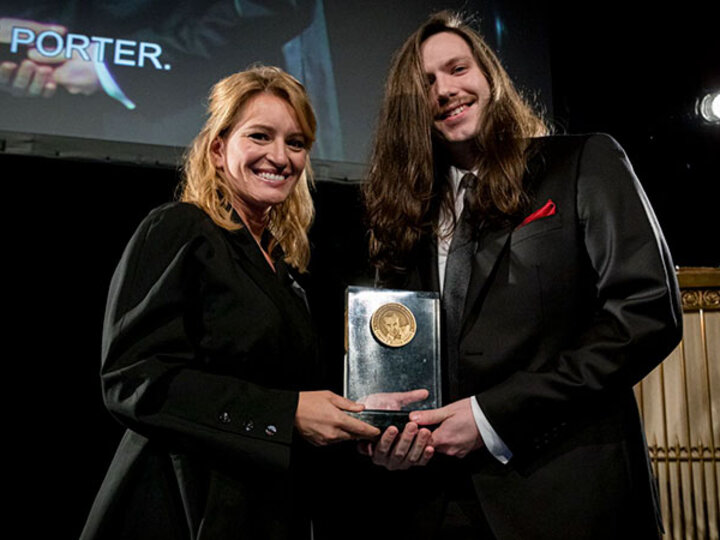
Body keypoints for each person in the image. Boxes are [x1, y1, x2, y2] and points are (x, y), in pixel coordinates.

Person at [360, 11, 682, 540]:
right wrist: (385, 435)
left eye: (457, 68)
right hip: (436, 505)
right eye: (426, 84)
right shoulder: (404, 216)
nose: (446, 90)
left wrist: (492, 417)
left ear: (488, 75)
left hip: (567, 494)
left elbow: (646, 314)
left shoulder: (582, 161)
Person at [80, 65, 379, 540]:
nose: (280, 157)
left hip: (261, 512)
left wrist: (365, 415)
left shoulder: (282, 270)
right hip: (181, 507)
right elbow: (132, 378)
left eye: (296, 143)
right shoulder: (179, 229)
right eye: (260, 136)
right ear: (219, 149)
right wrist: (286, 415)